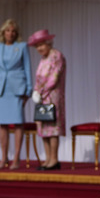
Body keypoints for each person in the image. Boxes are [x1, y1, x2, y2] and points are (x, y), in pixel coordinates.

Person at [0, 19, 33, 169]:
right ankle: (3, 158)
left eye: (13, 31)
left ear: (16, 33)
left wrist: (28, 89)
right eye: (8, 30)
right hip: (1, 88)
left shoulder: (22, 47)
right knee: (3, 124)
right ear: (3, 32)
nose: (10, 33)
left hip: (17, 88)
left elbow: (27, 68)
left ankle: (16, 158)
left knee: (18, 123)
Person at [27, 29, 66, 170]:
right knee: (43, 129)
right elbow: (39, 79)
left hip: (52, 97)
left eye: (41, 45)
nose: (39, 49)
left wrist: (40, 92)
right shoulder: (43, 60)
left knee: (52, 129)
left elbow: (53, 79)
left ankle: (54, 160)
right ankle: (48, 159)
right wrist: (35, 92)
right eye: (37, 46)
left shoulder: (57, 56)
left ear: (48, 43)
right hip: (42, 98)